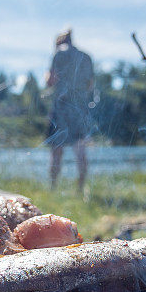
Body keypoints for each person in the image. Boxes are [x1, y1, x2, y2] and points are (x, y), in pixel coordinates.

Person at [45, 28, 94, 193]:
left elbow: (50, 81)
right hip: (80, 108)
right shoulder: (86, 57)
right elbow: (90, 85)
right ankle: (80, 189)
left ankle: (53, 187)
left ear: (59, 42)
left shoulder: (59, 54)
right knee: (80, 148)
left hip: (61, 107)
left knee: (57, 149)